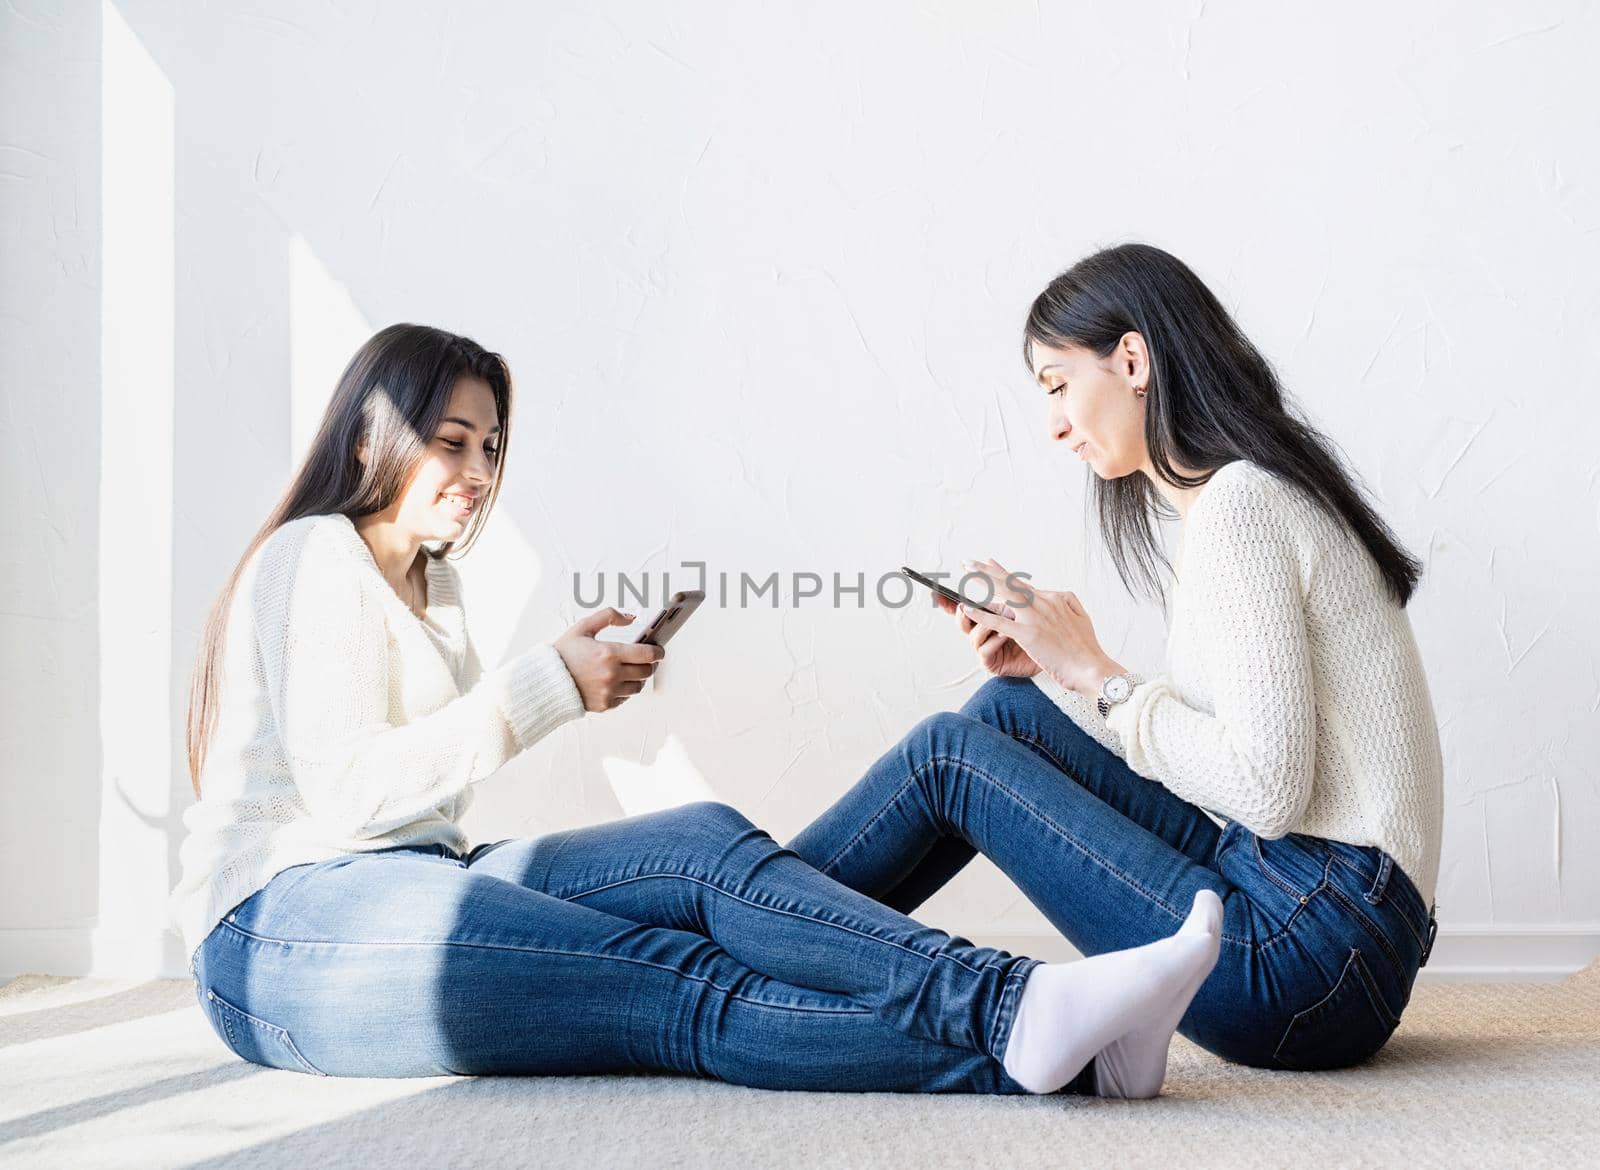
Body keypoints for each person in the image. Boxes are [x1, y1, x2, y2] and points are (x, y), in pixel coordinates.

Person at [170, 322, 1222, 1096]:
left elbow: (411, 812)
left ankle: (1069, 1046)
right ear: (368, 441)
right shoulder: (313, 559)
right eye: (452, 442)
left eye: (490, 448)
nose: (479, 473)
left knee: (702, 844)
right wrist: (547, 689)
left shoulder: (434, 586)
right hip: (280, 929)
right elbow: (351, 795)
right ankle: (1022, 1018)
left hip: (413, 877)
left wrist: (562, 683)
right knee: (668, 984)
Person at [787, 243, 1444, 1083]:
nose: (1055, 422)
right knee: (1004, 714)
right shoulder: (1251, 496)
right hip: (1317, 915)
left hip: (1308, 956)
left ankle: (734, 911)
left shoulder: (1240, 504)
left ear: (1131, 359)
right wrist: (1058, 675)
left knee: (947, 758)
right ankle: (753, 921)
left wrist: (1098, 670)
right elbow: (1243, 780)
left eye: (1058, 385)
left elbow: (1267, 791)